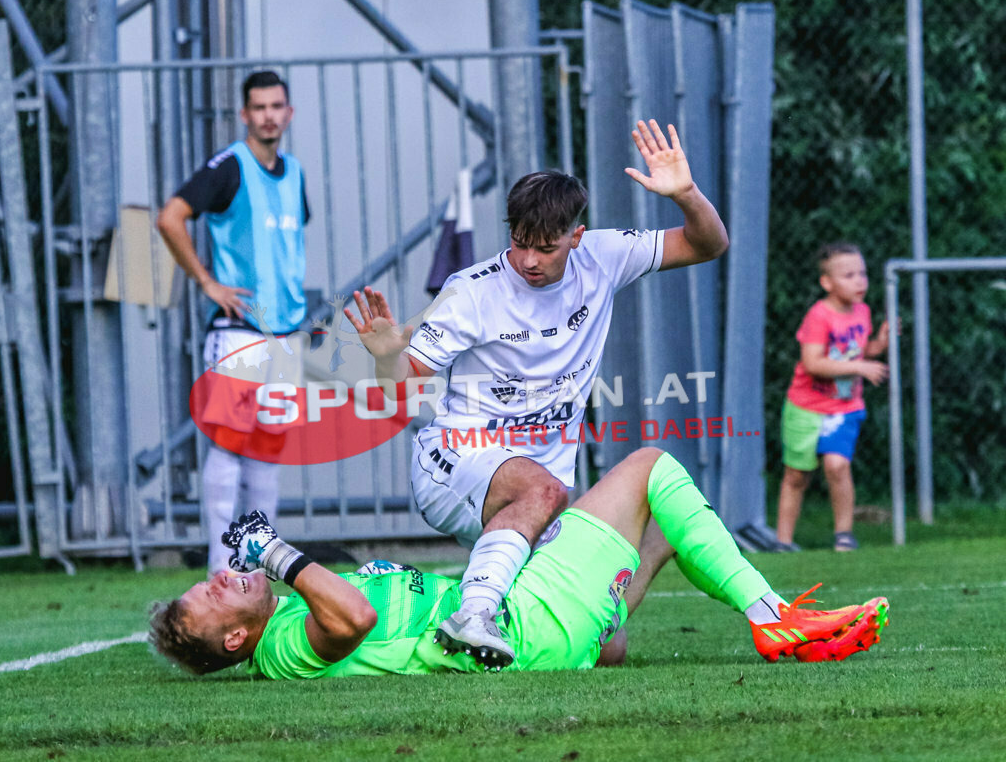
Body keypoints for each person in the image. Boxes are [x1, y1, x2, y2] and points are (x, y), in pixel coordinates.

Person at [343, 120, 729, 668]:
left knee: (606, 647)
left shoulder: (604, 257)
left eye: (546, 248)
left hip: (540, 490)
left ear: (577, 236)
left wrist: (685, 194)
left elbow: (709, 244)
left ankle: (451, 601)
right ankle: (473, 614)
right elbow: (398, 387)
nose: (528, 260)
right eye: (520, 243)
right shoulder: (470, 293)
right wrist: (385, 354)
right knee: (544, 490)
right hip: (453, 461)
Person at [148, 447, 890, 678]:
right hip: (523, 626)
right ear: (236, 638)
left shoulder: (284, 621)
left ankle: (601, 628)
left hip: (537, 629)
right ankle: (773, 616)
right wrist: (275, 552)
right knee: (651, 467)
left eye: (205, 580)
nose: (217, 577)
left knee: (661, 532)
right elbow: (356, 617)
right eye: (211, 596)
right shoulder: (281, 647)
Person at [157, 70, 311, 575]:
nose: (269, 115)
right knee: (229, 443)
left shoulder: (295, 173)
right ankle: (221, 570)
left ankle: (259, 572)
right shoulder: (229, 166)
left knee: (267, 450)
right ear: (244, 114)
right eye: (259, 107)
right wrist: (207, 283)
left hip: (284, 332)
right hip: (238, 331)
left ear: (289, 113)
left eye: (276, 106)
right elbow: (170, 217)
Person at [774, 242, 890, 552]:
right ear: (827, 282)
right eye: (849, 275)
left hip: (845, 408)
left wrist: (878, 346)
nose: (859, 281)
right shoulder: (819, 316)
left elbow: (856, 351)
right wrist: (860, 366)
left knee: (837, 466)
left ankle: (844, 535)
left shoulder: (863, 312)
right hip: (806, 407)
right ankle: (783, 542)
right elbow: (813, 363)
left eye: (862, 273)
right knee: (797, 475)